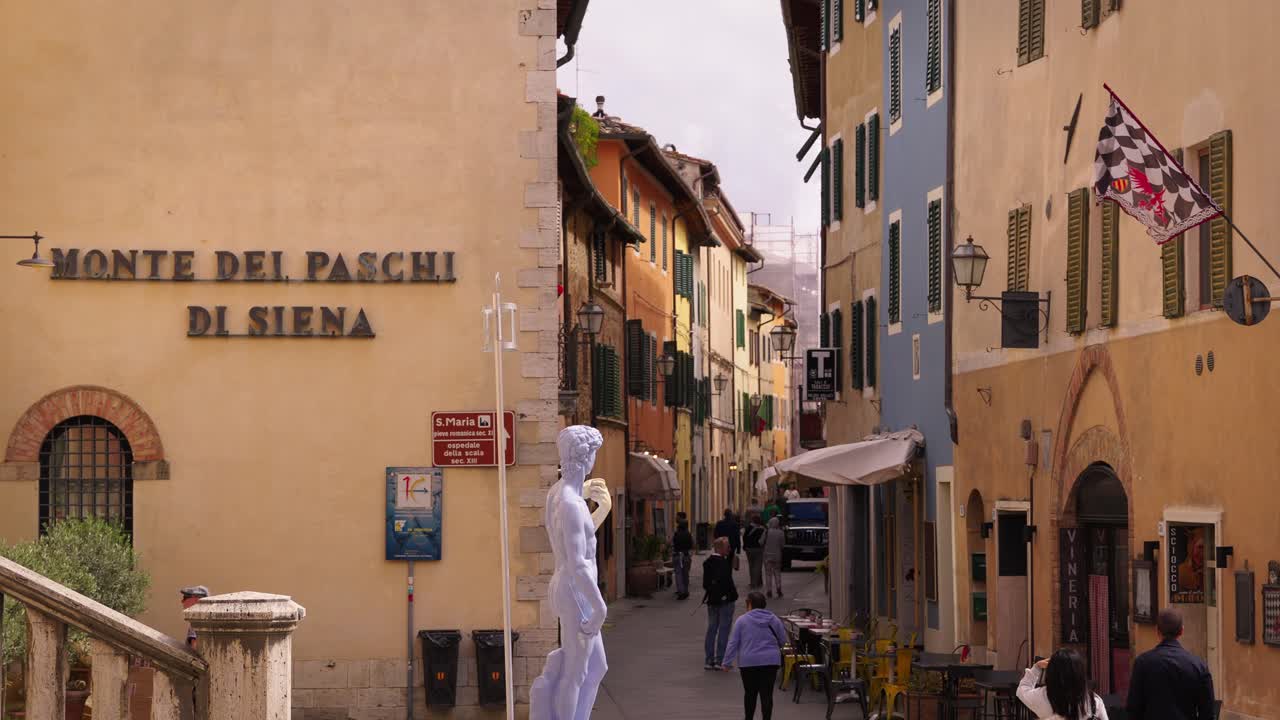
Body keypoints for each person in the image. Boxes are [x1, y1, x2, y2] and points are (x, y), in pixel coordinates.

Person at [1126, 608, 1215, 720]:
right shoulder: (1199, 665)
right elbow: (1208, 712)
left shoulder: (1142, 663)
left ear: (1157, 631)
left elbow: (1134, 707)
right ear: (1181, 631)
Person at [721, 591, 787, 720]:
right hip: (770, 662)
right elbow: (783, 640)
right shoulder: (774, 619)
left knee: (750, 694)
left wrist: (726, 663)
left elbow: (733, 643)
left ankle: (749, 718)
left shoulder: (742, 620)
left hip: (749, 662)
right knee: (767, 695)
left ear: (749, 604)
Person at [1017, 648, 1109, 720]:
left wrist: (1036, 667)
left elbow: (1022, 690)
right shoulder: (1094, 701)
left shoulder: (1041, 696)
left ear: (1051, 672)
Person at [703, 536, 739, 669]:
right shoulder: (723, 563)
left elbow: (705, 584)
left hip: (712, 601)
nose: (729, 549)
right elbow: (727, 582)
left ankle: (709, 660)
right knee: (724, 630)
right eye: (727, 547)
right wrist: (730, 596)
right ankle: (720, 660)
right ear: (721, 548)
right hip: (725, 601)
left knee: (712, 629)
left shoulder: (707, 562)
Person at [762, 516, 785, 598]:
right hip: (777, 555)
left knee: (768, 574)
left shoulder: (767, 531)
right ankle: (778, 588)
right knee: (777, 572)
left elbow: (761, 542)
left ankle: (769, 590)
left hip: (767, 556)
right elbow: (783, 545)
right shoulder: (781, 532)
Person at [672, 520, 694, 600]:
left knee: (678, 574)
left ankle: (681, 592)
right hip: (686, 555)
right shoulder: (688, 534)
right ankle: (686, 591)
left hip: (677, 555)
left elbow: (673, 544)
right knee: (685, 574)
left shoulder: (676, 534)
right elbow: (691, 545)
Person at [743, 514, 766, 590]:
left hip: (749, 549)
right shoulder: (762, 529)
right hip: (758, 549)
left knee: (751, 565)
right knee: (757, 566)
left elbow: (744, 537)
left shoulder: (748, 528)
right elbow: (762, 541)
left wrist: (745, 546)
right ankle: (755, 582)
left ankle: (752, 582)